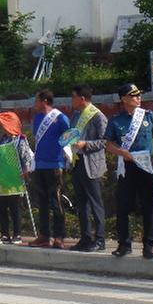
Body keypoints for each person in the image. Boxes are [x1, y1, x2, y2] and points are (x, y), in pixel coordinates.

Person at [104, 83, 153, 258]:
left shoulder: (149, 116)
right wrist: (122, 152)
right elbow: (108, 144)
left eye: (139, 95)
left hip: (147, 166)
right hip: (127, 167)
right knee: (123, 207)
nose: (138, 98)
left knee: (149, 207)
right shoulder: (115, 120)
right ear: (124, 99)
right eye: (133, 95)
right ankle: (124, 244)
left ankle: (149, 245)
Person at [67, 85, 108, 252]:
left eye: (73, 97)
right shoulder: (76, 116)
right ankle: (85, 237)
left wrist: (86, 144)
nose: (72, 100)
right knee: (81, 203)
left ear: (82, 98)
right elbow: (70, 135)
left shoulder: (98, 116)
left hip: (91, 164)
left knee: (95, 202)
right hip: (77, 162)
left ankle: (100, 239)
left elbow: (105, 141)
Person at [28, 90, 70, 249]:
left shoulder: (60, 118)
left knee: (56, 201)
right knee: (42, 202)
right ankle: (44, 236)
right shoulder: (37, 118)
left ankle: (59, 236)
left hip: (55, 164)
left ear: (44, 101)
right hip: (39, 164)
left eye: (36, 100)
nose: (34, 104)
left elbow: (69, 138)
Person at [0, 111, 33, 245]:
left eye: (3, 124)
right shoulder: (1, 140)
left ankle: (17, 234)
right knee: (1, 207)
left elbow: (26, 158)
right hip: (2, 178)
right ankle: (4, 234)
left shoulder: (20, 140)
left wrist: (26, 172)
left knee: (15, 207)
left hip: (15, 178)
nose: (0, 127)